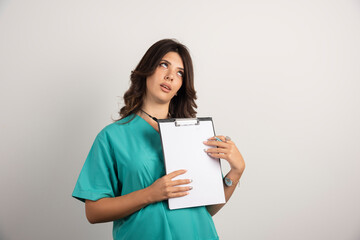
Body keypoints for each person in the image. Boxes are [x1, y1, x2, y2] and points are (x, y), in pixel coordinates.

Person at [72, 39, 246, 240]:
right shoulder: (112, 137)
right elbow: (94, 212)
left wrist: (236, 172)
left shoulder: (194, 135)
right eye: (164, 65)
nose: (170, 76)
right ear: (146, 69)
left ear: (181, 85)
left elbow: (205, 209)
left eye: (180, 73)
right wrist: (151, 194)